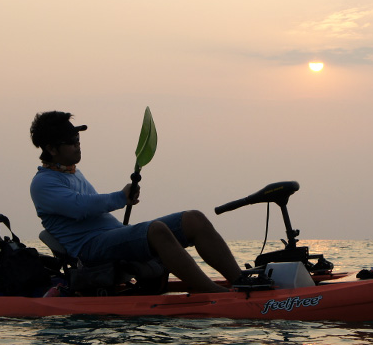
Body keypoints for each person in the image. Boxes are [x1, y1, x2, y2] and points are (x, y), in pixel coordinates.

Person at [29, 111, 242, 293]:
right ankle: (213, 293)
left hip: (110, 238)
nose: (77, 144)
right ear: (52, 149)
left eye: (77, 138)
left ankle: (241, 281)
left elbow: (94, 208)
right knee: (156, 230)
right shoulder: (43, 183)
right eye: (70, 141)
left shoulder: (73, 173)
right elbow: (79, 207)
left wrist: (124, 203)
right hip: (89, 249)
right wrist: (121, 197)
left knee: (194, 219)